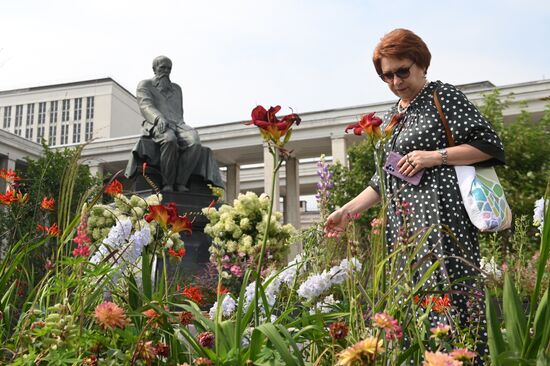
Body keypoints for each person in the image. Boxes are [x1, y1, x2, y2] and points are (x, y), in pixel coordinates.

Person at [324, 28, 505, 358]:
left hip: (442, 221)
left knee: (450, 293)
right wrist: (346, 212)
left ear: (421, 63)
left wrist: (435, 156)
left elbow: (489, 146)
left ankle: (462, 358)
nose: (395, 81)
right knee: (415, 301)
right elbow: (385, 178)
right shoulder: (397, 113)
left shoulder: (443, 96)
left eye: (402, 71)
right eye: (387, 75)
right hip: (406, 229)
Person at [135, 56, 224, 192]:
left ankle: (181, 182)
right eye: (162, 68)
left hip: (178, 124)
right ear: (154, 69)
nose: (166, 71)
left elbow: (179, 113)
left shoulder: (177, 89)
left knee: (195, 142)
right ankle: (168, 184)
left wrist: (180, 126)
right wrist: (159, 118)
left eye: (169, 68)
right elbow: (145, 105)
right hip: (157, 123)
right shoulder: (145, 85)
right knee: (170, 139)